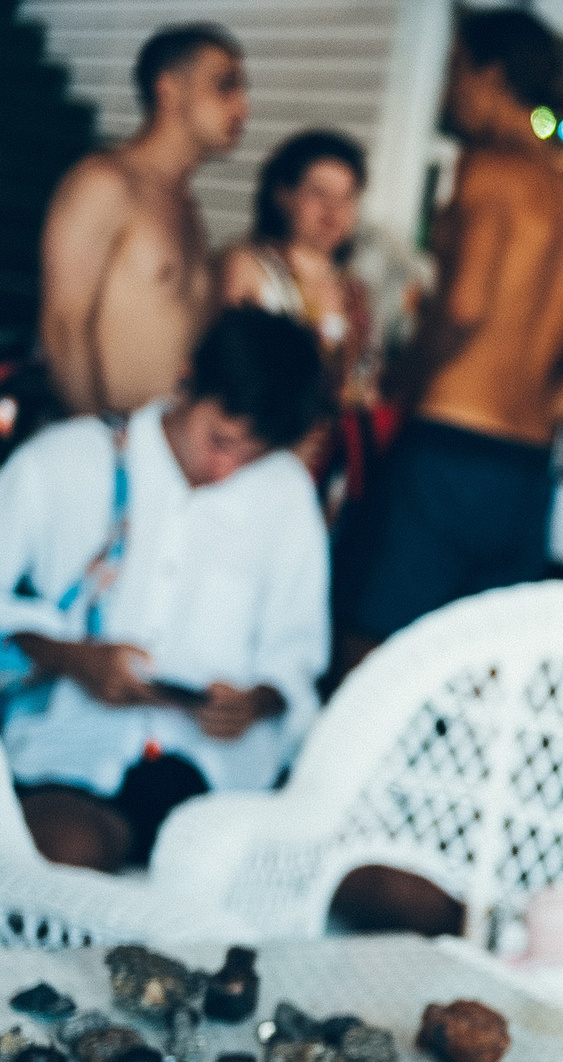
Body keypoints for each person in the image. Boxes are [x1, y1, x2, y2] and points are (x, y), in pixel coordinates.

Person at [2, 308, 327, 871]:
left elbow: (296, 654)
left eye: (249, 457)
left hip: (216, 783)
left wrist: (256, 702)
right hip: (75, 759)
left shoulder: (286, 495)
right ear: (186, 380)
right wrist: (75, 659)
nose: (226, 468)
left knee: (248, 871)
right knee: (62, 852)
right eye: (219, 441)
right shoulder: (65, 462)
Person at [347, 7, 563, 649]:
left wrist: (401, 378)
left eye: (454, 71)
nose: (447, 91)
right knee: (474, 669)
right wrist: (528, 406)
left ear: (488, 73)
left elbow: (464, 308)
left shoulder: (486, 170)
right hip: (524, 473)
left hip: (446, 450)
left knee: (375, 657)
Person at [38, 22, 248, 417]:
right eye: (226, 85)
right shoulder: (104, 183)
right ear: (168, 90)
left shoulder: (188, 206)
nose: (243, 107)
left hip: (155, 448)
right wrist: (100, 438)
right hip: (102, 444)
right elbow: (64, 325)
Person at [218, 129, 375, 478]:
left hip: (324, 466)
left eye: (348, 197)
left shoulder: (354, 293)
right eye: (318, 192)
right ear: (283, 194)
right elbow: (230, 371)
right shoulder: (248, 267)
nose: (333, 210)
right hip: (252, 452)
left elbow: (361, 385)